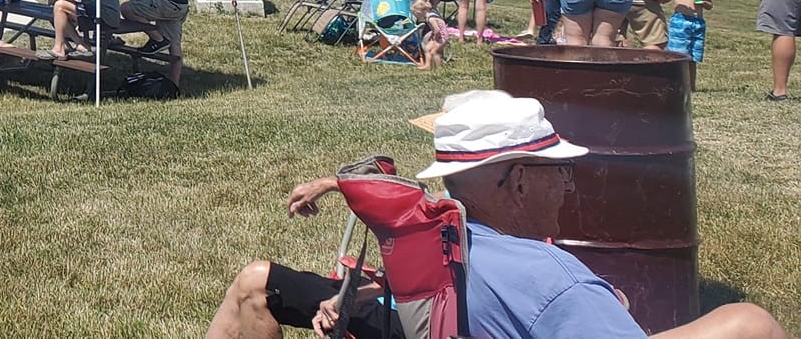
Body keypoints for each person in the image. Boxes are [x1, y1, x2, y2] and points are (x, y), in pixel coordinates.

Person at [204, 89, 789, 339]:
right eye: (556, 168)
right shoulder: (553, 283)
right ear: (513, 179)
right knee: (748, 322)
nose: (568, 180)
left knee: (258, 281)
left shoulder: (433, 232)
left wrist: (359, 294)